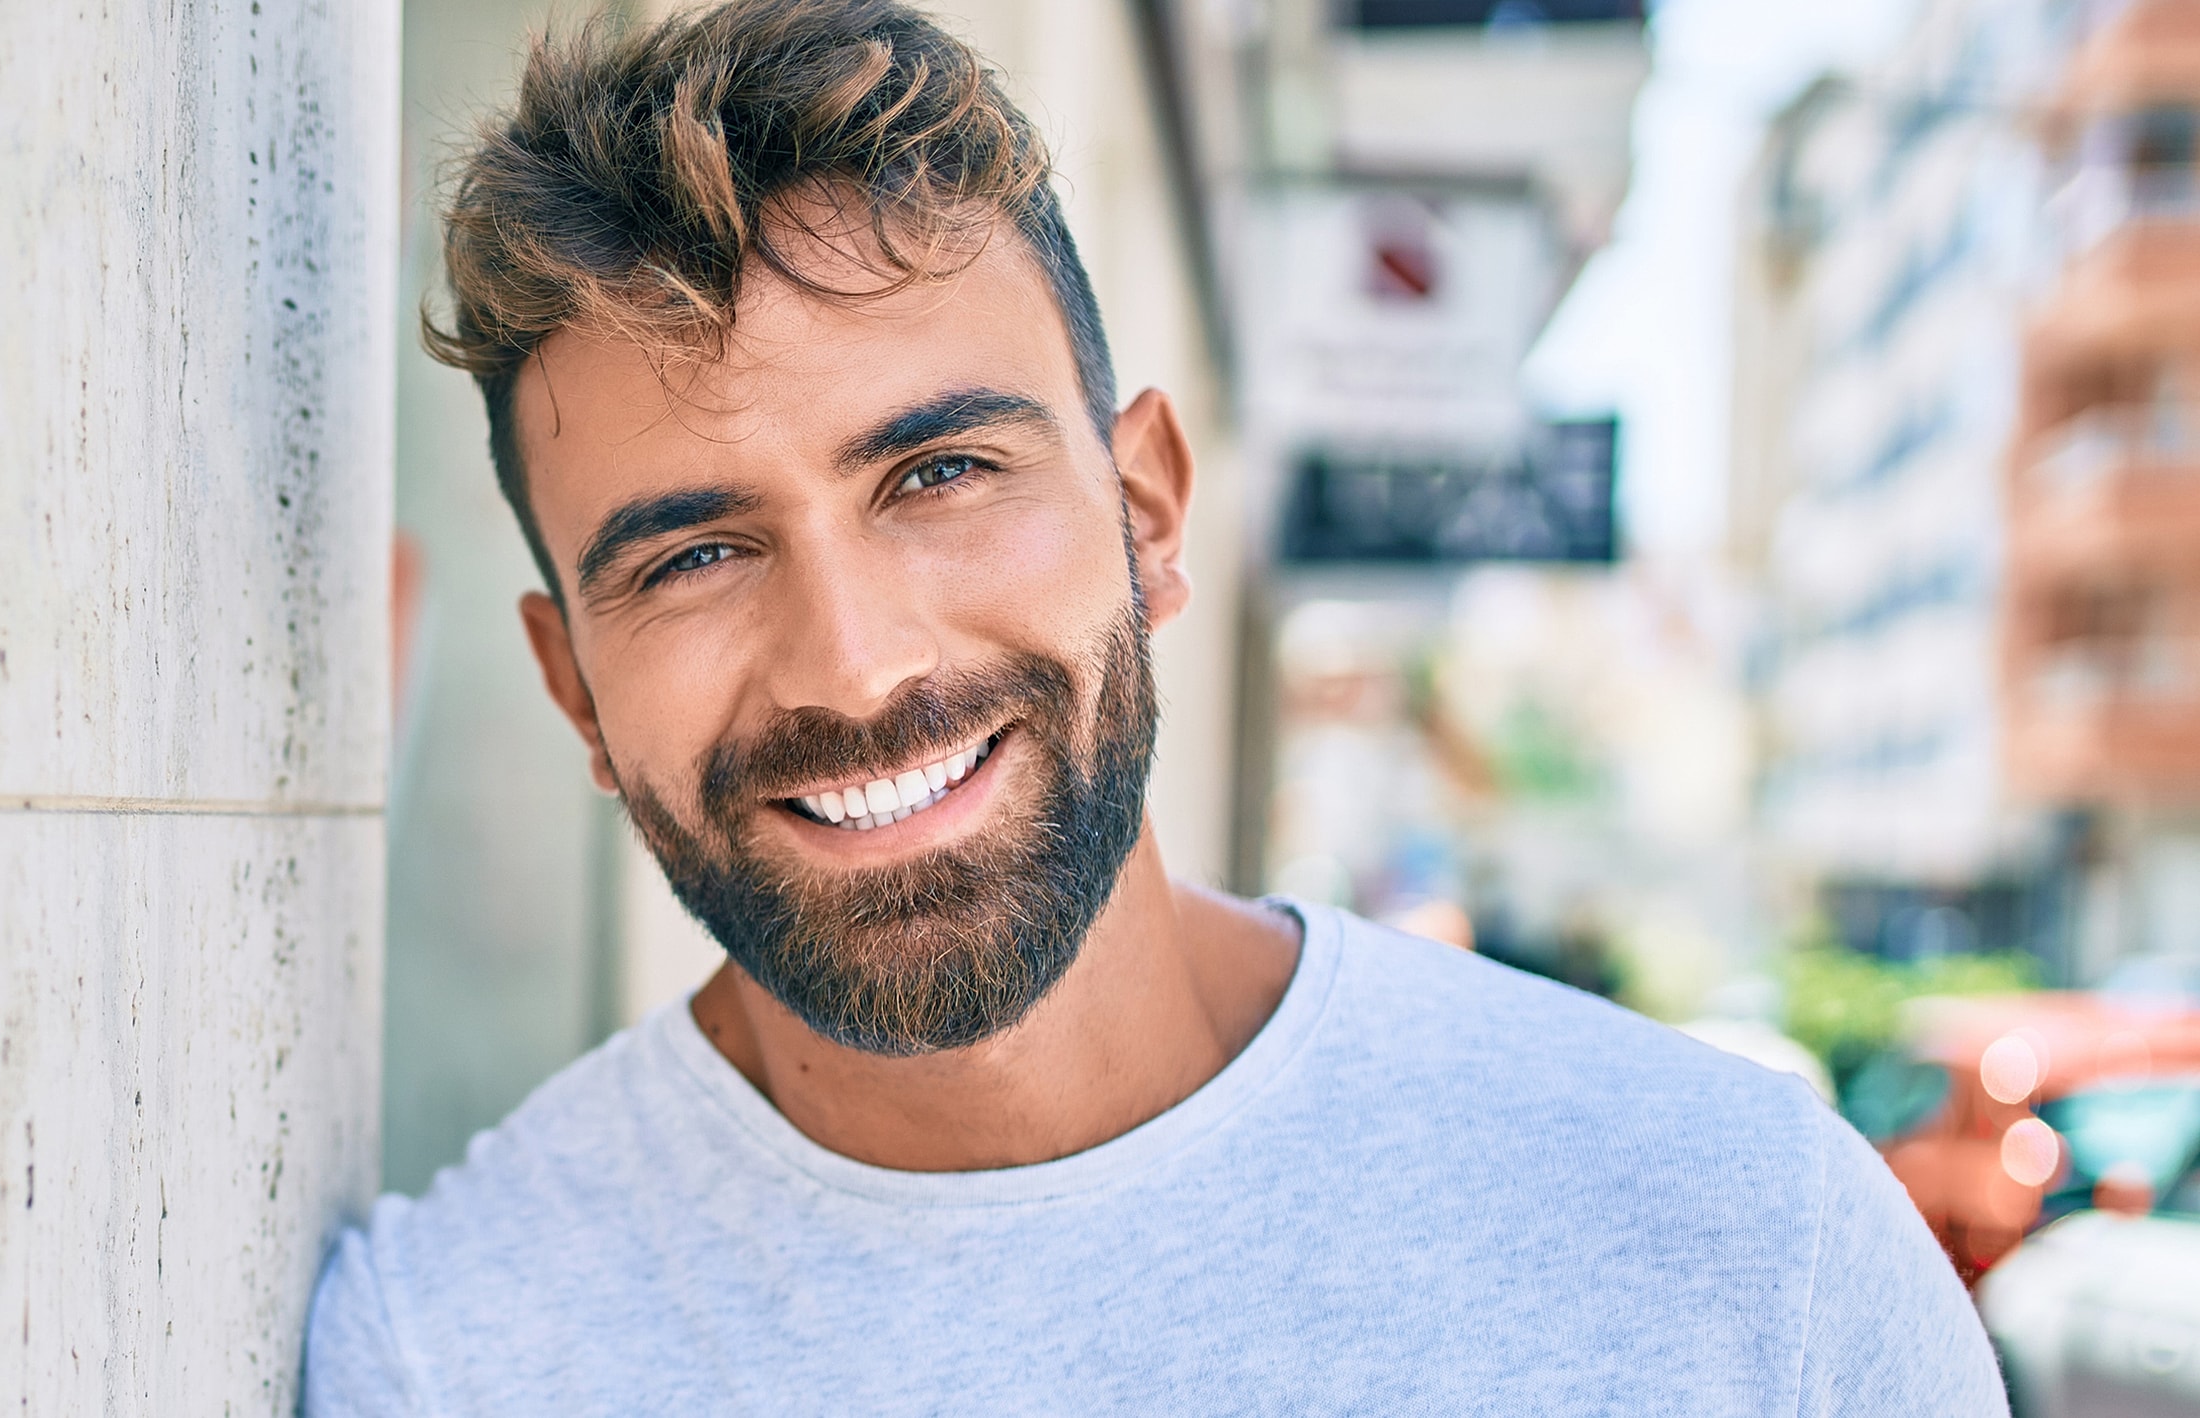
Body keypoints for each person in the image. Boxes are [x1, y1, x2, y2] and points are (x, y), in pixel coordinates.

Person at [303, 0, 2005, 1411]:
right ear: (570, 688)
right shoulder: (449, 1354)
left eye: (940, 471)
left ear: (1150, 513)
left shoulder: (1744, 1254)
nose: (857, 663)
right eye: (691, 556)